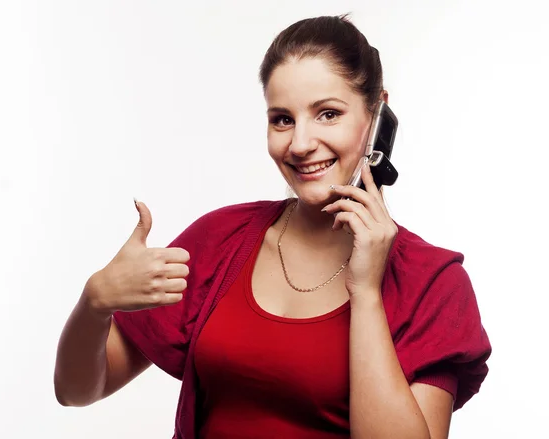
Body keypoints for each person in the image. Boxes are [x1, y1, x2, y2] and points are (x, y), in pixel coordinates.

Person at [54, 14, 491, 439]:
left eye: (328, 114)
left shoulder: (433, 284)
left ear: (378, 117)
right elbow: (76, 392)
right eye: (282, 119)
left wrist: (367, 293)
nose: (300, 144)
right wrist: (95, 303)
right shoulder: (218, 241)